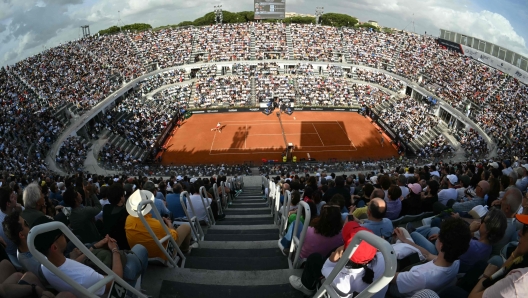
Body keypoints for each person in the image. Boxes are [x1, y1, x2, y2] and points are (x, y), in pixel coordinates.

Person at [289, 221, 388, 297]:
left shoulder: (341, 280)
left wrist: (336, 252)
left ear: (345, 252)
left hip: (334, 287)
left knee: (314, 259)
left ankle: (307, 287)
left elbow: (325, 268)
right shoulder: (385, 259)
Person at [389, 218, 472, 297]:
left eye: (439, 236)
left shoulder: (422, 276)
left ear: (441, 245)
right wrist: (405, 240)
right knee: (402, 231)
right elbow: (428, 255)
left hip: (399, 288)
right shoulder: (455, 262)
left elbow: (389, 276)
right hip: (414, 281)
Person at [125, 190, 197, 260]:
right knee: (186, 227)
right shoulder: (157, 225)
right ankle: (185, 251)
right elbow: (174, 238)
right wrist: (169, 224)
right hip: (162, 256)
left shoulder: (128, 220)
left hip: (140, 256)